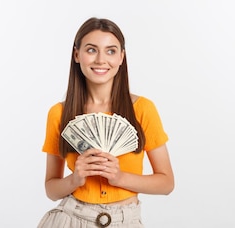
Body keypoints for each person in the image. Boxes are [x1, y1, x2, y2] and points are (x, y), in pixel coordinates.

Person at [38, 17, 174, 228]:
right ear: (77, 55)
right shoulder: (59, 113)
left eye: (110, 51)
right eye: (91, 50)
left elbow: (166, 183)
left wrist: (119, 177)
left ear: (121, 57)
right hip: (70, 219)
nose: (101, 60)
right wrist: (75, 179)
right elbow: (51, 189)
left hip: (125, 220)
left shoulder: (143, 109)